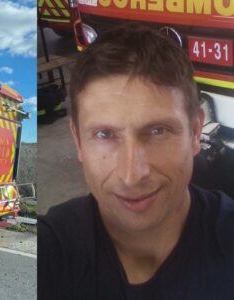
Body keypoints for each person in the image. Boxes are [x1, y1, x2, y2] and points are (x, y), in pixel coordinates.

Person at [38, 24, 234, 299]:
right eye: (105, 134)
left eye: (158, 131)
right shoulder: (51, 247)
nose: (132, 175)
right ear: (78, 141)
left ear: (195, 132)